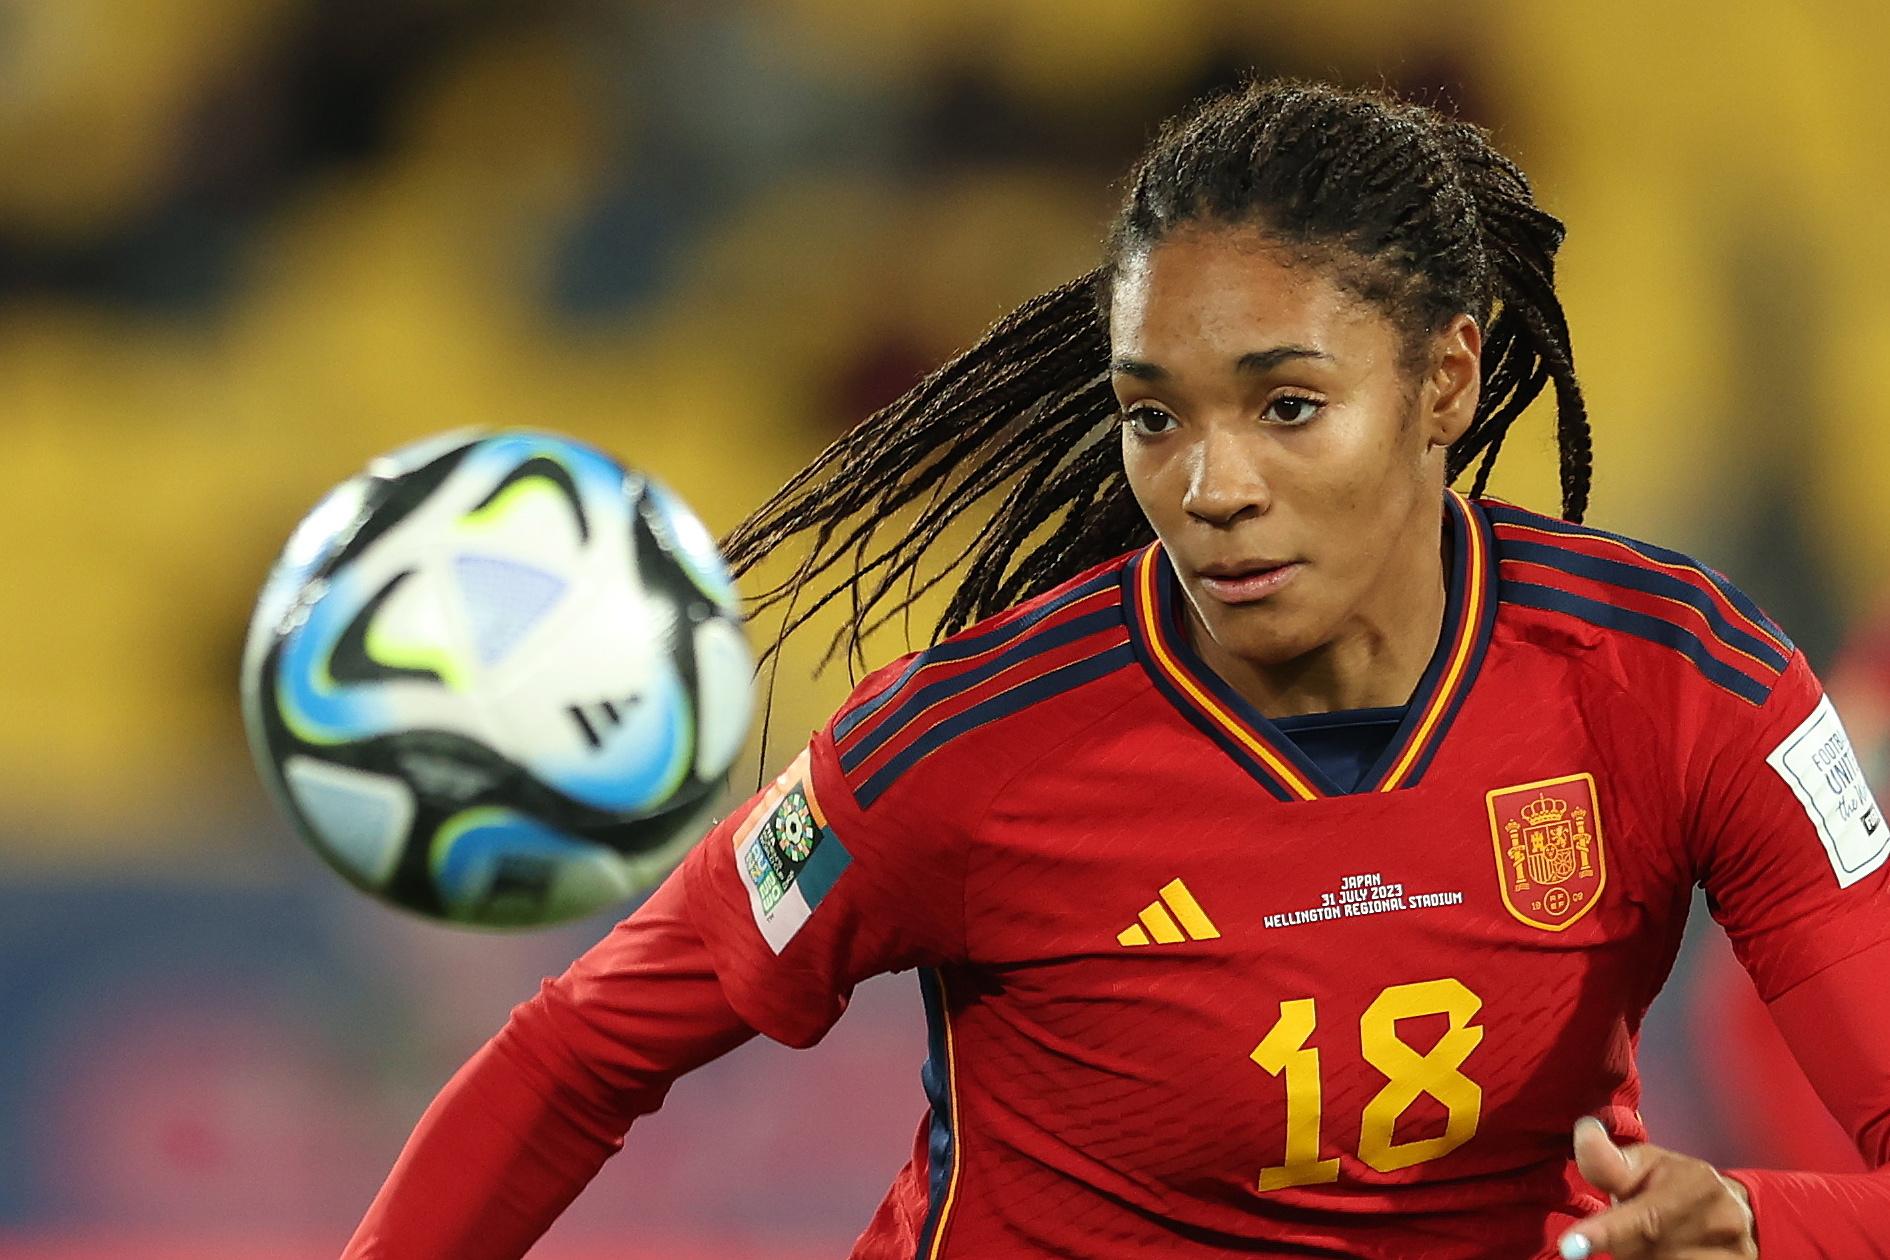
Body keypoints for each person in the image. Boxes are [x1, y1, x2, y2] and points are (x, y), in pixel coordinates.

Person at [343, 79, 1890, 1260]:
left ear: (1446, 380)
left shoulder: (1677, 684)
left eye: (1285, 406)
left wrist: (1759, 1225)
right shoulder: (957, 754)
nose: (1210, 485)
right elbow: (571, 1058)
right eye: (1154, 416)